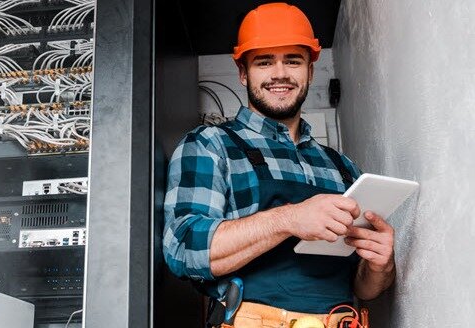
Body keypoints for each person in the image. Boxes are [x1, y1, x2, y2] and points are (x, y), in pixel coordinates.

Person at [163, 3, 396, 327]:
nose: (280, 73)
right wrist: (288, 218)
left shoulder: (341, 167)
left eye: (293, 60)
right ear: (243, 72)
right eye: (264, 61)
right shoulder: (211, 145)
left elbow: (362, 288)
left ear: (310, 70)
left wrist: (379, 266)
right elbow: (183, 248)